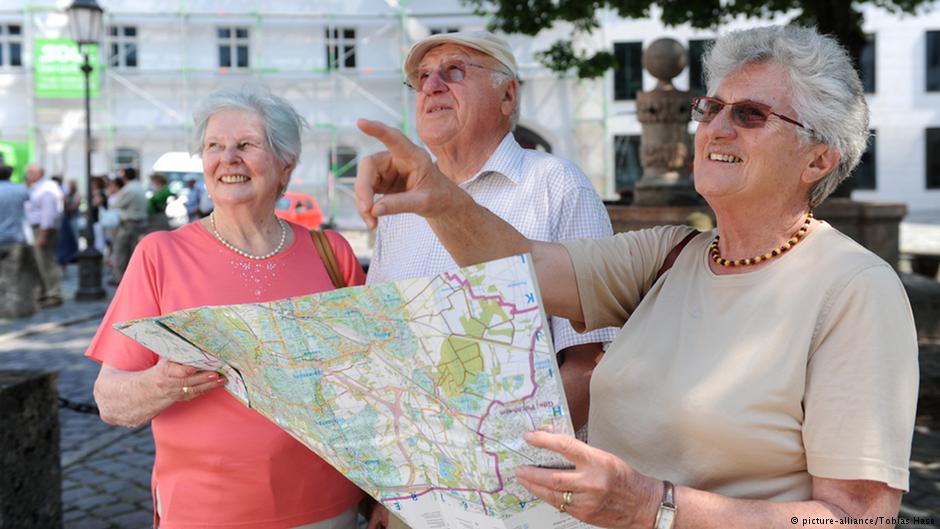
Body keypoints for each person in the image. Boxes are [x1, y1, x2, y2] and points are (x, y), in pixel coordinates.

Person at [354, 25, 918, 527]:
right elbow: (522, 267)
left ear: (818, 160)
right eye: (711, 107)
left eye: (750, 115)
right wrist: (439, 198)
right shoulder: (673, 253)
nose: (716, 128)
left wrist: (655, 507)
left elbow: (857, 520)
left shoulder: (853, 288)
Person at [86, 85, 368, 529]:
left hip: (329, 508)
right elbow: (110, 400)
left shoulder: (331, 252)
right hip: (206, 511)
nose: (228, 158)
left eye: (248, 145)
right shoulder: (161, 254)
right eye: (214, 146)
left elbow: (375, 385)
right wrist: (162, 383)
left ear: (285, 166)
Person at [368, 27, 616, 445]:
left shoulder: (556, 185)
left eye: (455, 72)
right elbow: (383, 344)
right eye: (422, 77)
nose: (431, 86)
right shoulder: (401, 204)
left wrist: (506, 459)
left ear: (508, 96)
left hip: (522, 479)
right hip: (415, 475)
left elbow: (590, 361)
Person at [0, 164, 41, 317]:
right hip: (15, 239)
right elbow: (32, 202)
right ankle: (10, 309)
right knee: (12, 276)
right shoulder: (19, 190)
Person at [24, 163, 64, 308]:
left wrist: (44, 234)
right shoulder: (37, 187)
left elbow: (48, 214)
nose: (28, 175)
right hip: (38, 228)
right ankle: (44, 293)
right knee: (39, 262)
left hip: (43, 229)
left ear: (39, 173)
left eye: (30, 172)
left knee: (46, 262)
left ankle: (54, 294)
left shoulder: (46, 189)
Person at [110, 166, 148, 283]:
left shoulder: (128, 189)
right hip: (140, 223)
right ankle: (134, 280)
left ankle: (121, 281)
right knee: (134, 254)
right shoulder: (140, 186)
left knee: (120, 254)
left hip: (129, 224)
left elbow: (115, 204)